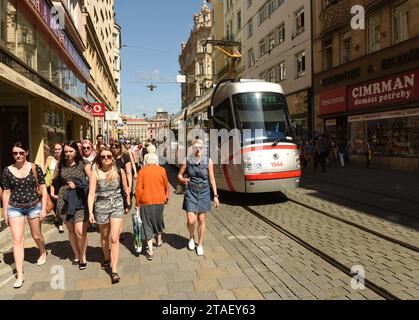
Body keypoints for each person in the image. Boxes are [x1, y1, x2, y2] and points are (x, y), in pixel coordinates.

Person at [1, 142, 47, 289]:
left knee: (36, 235)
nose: (18, 156)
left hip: (34, 206)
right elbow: (6, 192)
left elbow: (43, 190)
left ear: (26, 152)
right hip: (15, 207)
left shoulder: (35, 168)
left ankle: (42, 250)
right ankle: (20, 274)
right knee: (17, 239)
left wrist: (44, 208)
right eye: (15, 153)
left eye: (21, 152)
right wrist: (6, 212)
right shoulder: (7, 171)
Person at [88, 147, 130, 284]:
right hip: (101, 208)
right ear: (99, 159)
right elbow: (91, 194)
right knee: (104, 236)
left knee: (114, 237)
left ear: (113, 158)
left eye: (109, 156)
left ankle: (114, 270)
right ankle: (106, 258)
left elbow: (126, 188)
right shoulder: (95, 173)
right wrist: (90, 212)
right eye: (103, 156)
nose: (106, 158)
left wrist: (128, 202)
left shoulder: (119, 171)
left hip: (116, 206)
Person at [52, 141, 91, 269]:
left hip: (80, 199)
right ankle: (77, 254)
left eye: (71, 151)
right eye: (66, 151)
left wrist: (79, 184)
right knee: (71, 230)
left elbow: (92, 181)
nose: (68, 154)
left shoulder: (84, 164)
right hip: (65, 201)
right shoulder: (61, 164)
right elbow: (53, 179)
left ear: (76, 151)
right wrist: (53, 192)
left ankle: (83, 256)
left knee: (80, 231)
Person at [177, 139, 219, 256]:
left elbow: (212, 179)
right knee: (191, 220)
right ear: (193, 148)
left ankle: (200, 244)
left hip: (204, 191)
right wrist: (183, 179)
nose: (198, 149)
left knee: (201, 219)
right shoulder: (187, 160)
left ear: (203, 148)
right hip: (191, 191)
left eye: (200, 147)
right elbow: (179, 175)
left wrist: (215, 195)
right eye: (196, 147)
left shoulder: (208, 161)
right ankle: (191, 237)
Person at [135, 148, 169, 261]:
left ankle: (150, 250)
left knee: (147, 223)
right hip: (159, 201)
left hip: (146, 202)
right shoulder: (162, 170)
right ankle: (159, 240)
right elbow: (166, 186)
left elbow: (138, 190)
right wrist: (166, 197)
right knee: (158, 220)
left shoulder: (142, 172)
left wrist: (137, 203)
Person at [44, 143, 64, 233]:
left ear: (62, 150)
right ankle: (60, 223)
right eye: (55, 149)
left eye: (59, 149)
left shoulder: (65, 160)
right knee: (55, 204)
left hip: (62, 184)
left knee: (60, 203)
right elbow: (44, 170)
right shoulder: (49, 159)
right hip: (51, 184)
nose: (57, 151)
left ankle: (60, 218)